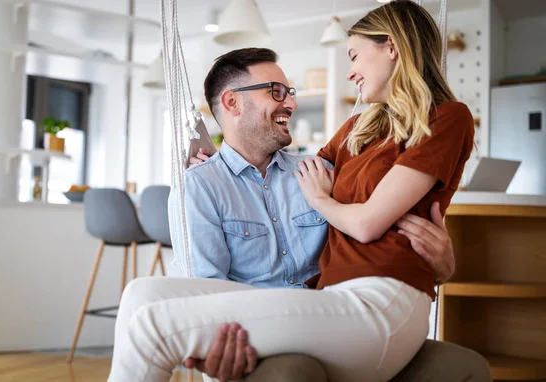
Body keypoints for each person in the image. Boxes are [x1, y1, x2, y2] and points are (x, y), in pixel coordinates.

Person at [108, 1, 481, 381]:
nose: (292, 102)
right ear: (231, 103)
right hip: (315, 307)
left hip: (354, 303)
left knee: (152, 325)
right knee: (140, 294)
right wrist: (212, 171)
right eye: (276, 91)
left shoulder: (439, 119)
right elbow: (209, 287)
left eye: (354, 56)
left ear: (392, 48)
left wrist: (443, 265)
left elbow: (373, 220)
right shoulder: (355, 132)